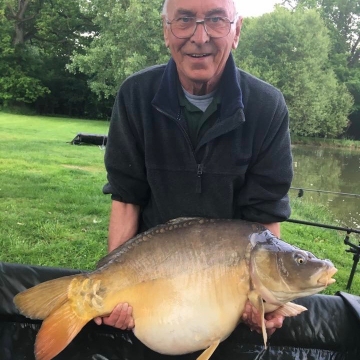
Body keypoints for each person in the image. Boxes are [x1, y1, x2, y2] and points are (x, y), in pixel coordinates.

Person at [96, 0, 293, 342]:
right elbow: (127, 198)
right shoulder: (135, 95)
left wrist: (265, 294)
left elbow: (264, 214)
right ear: (166, 30)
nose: (199, 38)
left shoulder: (267, 106)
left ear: (236, 31)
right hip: (154, 272)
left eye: (216, 20)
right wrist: (111, 281)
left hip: (225, 279)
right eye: (184, 20)